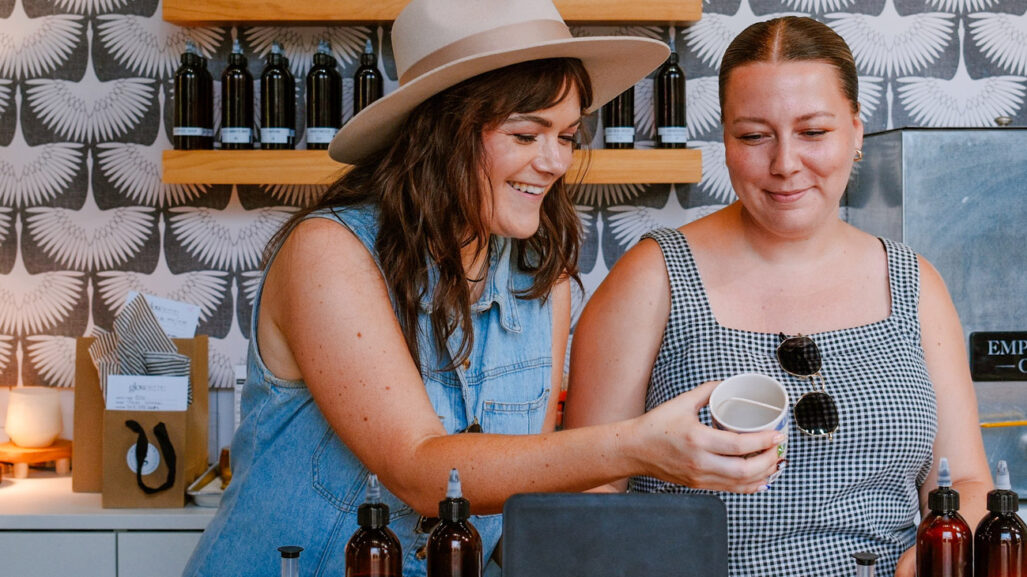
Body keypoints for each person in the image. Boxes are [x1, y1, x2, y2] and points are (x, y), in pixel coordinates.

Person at [182, 1, 786, 575]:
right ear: (439, 133)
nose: (553, 162)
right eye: (527, 135)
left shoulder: (542, 284)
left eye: (568, 136)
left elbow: (519, 488)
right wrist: (637, 447)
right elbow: (422, 473)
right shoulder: (329, 253)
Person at [564, 16, 992, 577]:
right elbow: (589, 484)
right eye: (753, 135)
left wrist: (933, 556)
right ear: (725, 140)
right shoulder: (653, 276)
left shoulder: (914, 282)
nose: (785, 163)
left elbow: (966, 481)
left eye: (813, 132)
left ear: (857, 132)